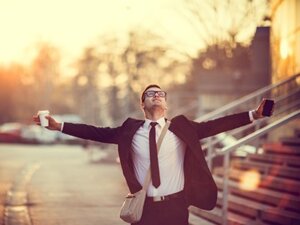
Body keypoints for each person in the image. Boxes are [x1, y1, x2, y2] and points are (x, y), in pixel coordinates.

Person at [33, 84, 271, 225]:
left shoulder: (182, 127)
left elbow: (217, 125)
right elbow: (96, 132)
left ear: (166, 103)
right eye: (150, 94)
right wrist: (60, 126)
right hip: (143, 209)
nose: (156, 95)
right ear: (142, 104)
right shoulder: (130, 129)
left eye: (160, 93)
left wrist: (253, 115)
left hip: (177, 206)